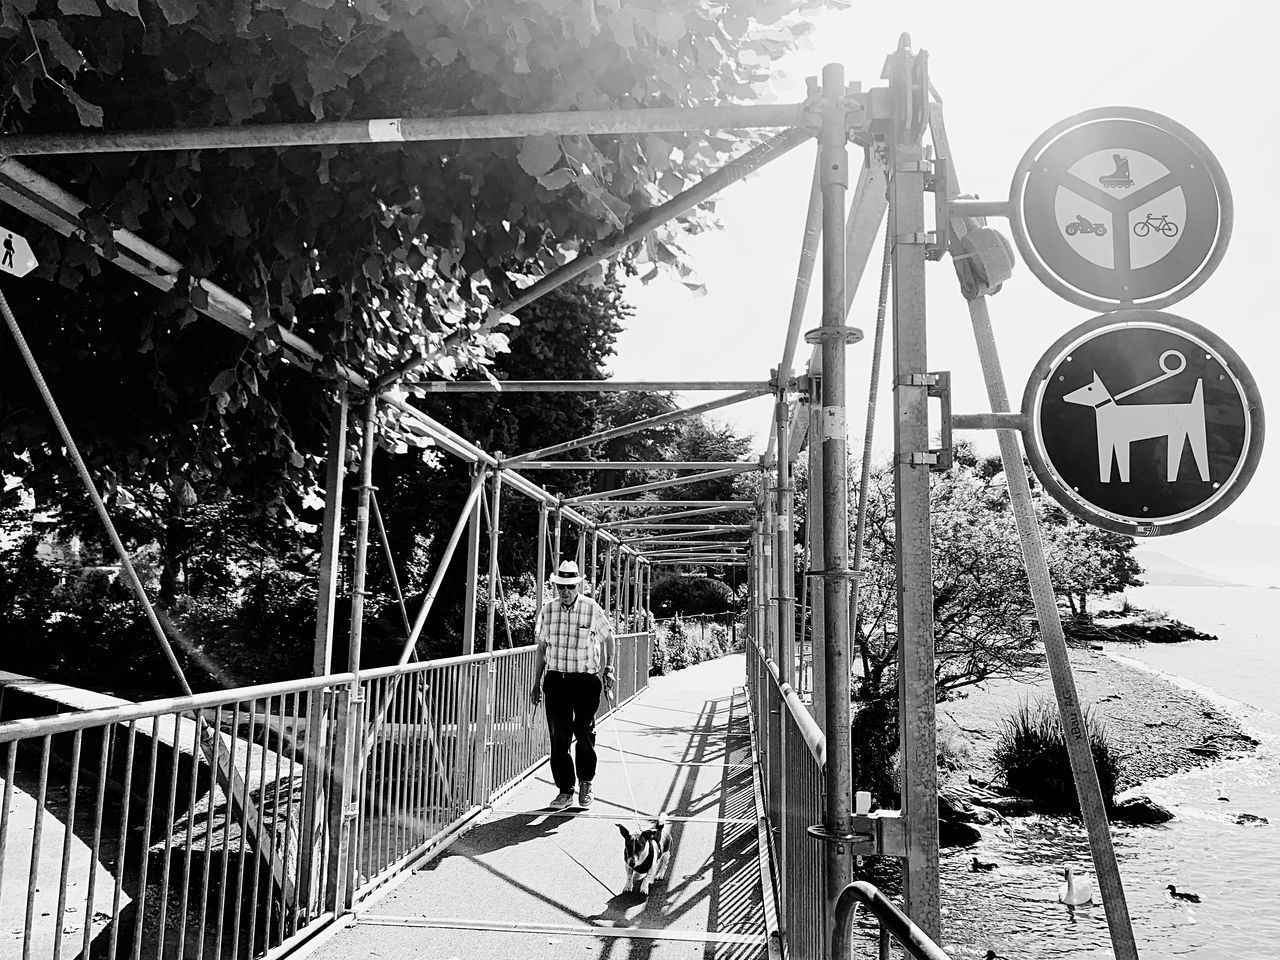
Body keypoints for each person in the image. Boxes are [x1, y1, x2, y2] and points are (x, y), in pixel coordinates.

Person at [529, 559, 616, 809]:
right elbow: (542, 647)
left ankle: (586, 782)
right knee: (559, 737)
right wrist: (536, 683)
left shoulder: (591, 608)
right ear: (556, 587)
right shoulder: (548, 609)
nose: (565, 592)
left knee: (584, 731)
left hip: (585, 681)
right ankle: (565, 790)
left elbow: (609, 639)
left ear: (578, 586)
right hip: (556, 680)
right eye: (561, 587)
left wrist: (608, 668)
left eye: (570, 587)